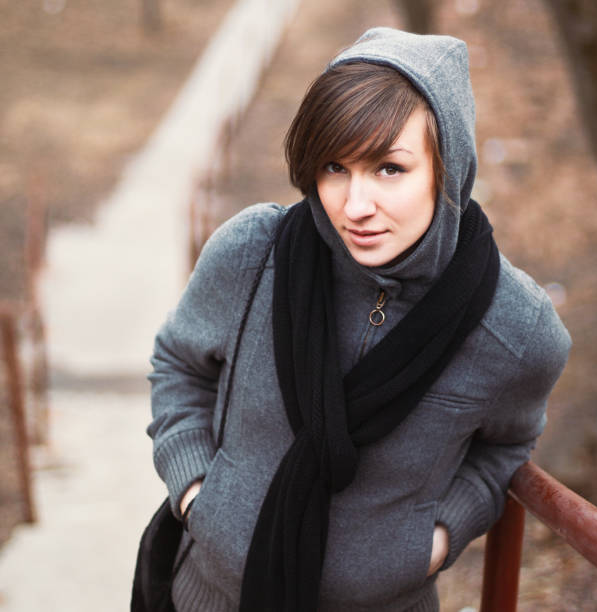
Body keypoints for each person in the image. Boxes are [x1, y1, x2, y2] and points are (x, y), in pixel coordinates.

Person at [146, 27, 571, 612]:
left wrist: (435, 540)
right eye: (334, 167)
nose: (354, 206)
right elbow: (179, 363)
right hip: (207, 598)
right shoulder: (252, 253)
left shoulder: (515, 330)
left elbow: (507, 447)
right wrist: (197, 492)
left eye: (389, 169)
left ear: (446, 167)